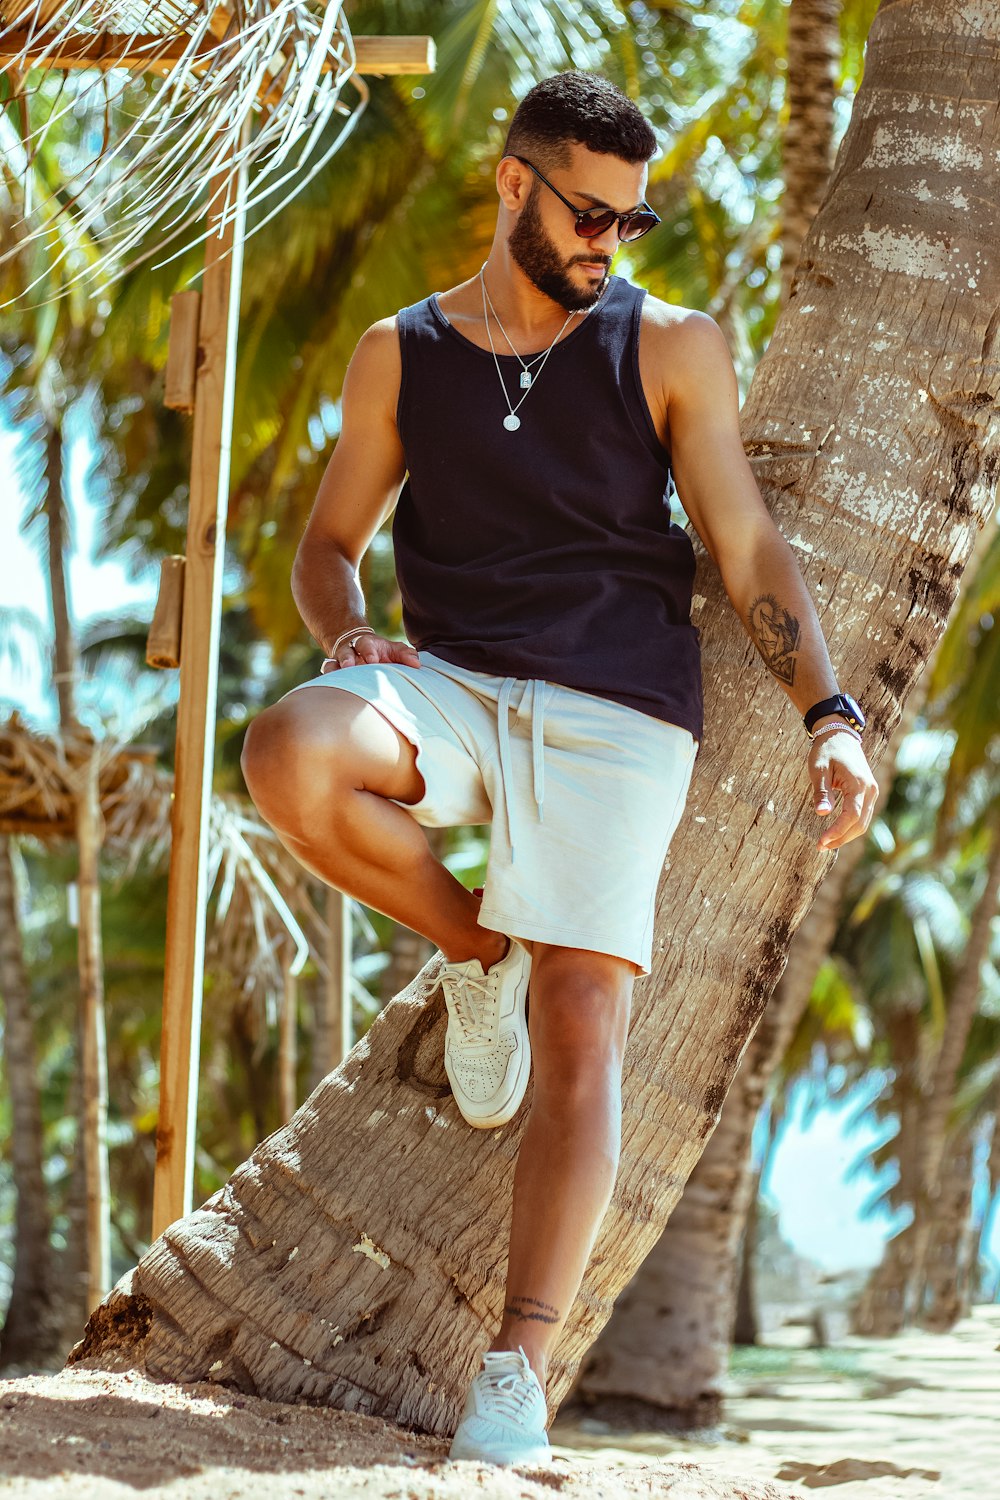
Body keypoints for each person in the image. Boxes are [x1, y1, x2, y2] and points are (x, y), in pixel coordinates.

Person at [241, 70, 879, 1466]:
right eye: (590, 213)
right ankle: (478, 955)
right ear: (513, 184)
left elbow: (748, 542)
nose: (609, 243)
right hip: (454, 689)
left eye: (631, 223)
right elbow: (326, 541)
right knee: (290, 748)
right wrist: (346, 630)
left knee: (586, 1011)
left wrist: (829, 710)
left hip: (616, 709)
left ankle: (515, 1375)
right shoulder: (397, 353)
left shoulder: (672, 348)